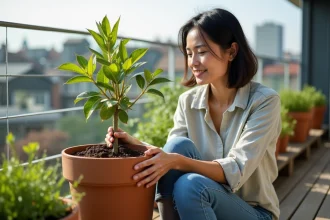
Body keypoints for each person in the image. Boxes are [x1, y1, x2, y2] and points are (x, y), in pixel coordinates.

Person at [105, 8, 281, 220]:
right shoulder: (187, 102)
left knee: (191, 187)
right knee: (177, 146)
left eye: (202, 51)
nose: (193, 62)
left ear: (232, 52)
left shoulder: (264, 101)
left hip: (254, 212)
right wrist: (133, 144)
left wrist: (175, 160)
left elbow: (236, 169)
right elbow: (171, 157)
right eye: (189, 54)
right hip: (203, 203)